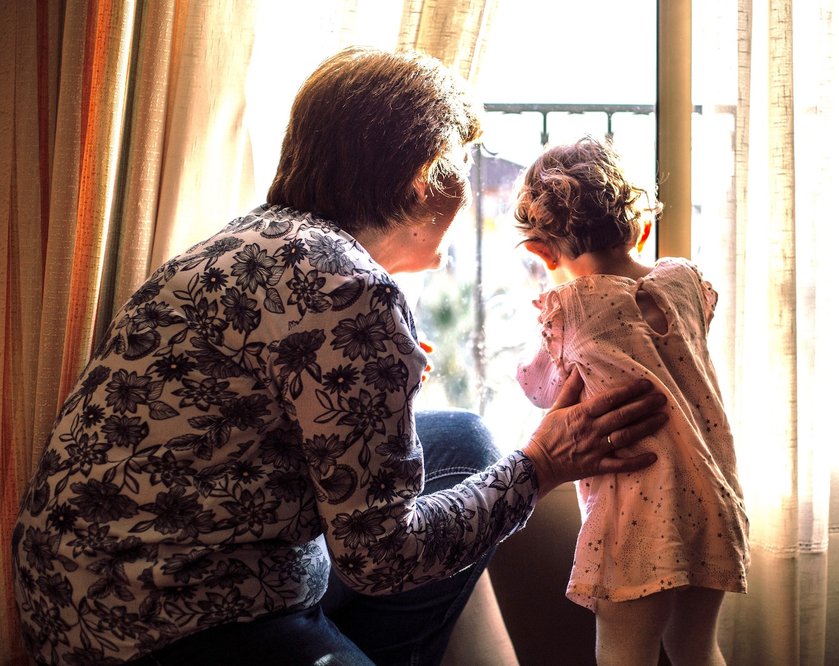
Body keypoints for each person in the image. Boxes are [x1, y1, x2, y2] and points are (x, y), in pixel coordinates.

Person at [11, 50, 668, 666]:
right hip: (171, 629)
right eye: (460, 172)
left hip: (68, 594)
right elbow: (382, 556)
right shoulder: (352, 290)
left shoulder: (242, 241)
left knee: (464, 441)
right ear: (421, 185)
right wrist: (543, 464)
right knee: (478, 480)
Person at [513, 137, 750, 666]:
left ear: (540, 252)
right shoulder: (684, 280)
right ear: (641, 229)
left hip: (637, 515)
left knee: (624, 654)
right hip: (710, 494)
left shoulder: (569, 307)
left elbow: (543, 390)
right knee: (695, 647)